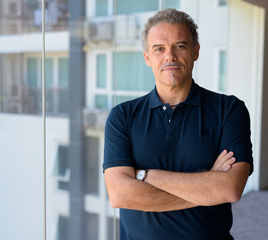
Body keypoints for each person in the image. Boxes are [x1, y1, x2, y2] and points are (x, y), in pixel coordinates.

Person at [103, 8, 253, 239]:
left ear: (195, 51)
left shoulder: (229, 110)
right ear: (147, 58)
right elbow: (120, 195)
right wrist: (206, 188)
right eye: (159, 49)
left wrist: (145, 176)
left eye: (180, 46)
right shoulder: (122, 116)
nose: (169, 57)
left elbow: (229, 189)